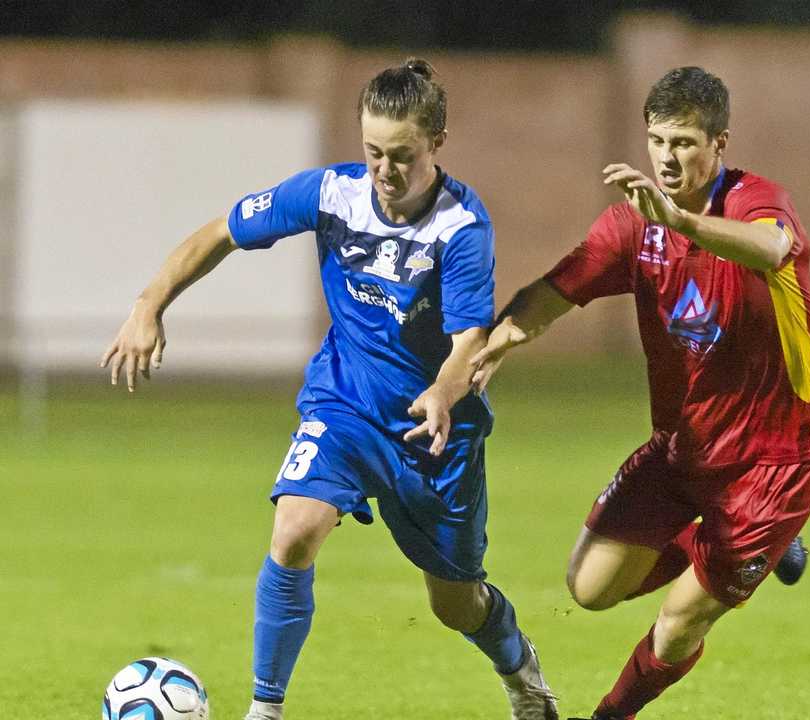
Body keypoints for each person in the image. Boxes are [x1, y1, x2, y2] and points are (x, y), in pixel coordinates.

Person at [99, 58, 558, 720]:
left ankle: (520, 671)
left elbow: (469, 345)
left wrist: (440, 394)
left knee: (455, 602)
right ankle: (266, 710)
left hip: (434, 434)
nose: (385, 171)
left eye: (402, 155)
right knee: (294, 530)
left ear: (436, 144)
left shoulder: (461, 228)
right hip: (343, 405)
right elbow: (222, 231)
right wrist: (149, 304)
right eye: (373, 151)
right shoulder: (329, 194)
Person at [469, 66, 810, 719]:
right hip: (683, 450)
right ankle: (736, 546)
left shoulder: (755, 201)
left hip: (774, 461)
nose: (669, 157)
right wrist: (493, 347)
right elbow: (553, 293)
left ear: (719, 144)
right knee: (589, 587)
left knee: (676, 626)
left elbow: (773, 248)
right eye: (659, 141)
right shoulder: (631, 228)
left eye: (686, 143)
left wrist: (683, 223)